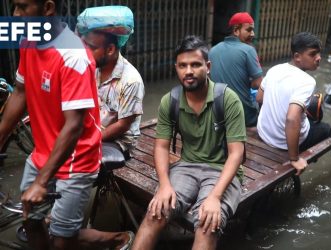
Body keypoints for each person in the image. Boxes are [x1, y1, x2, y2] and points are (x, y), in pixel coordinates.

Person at [0, 0, 132, 249]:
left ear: (47, 8)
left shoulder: (73, 55)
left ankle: (118, 239)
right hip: (42, 153)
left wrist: (41, 182)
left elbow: (74, 125)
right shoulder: (28, 40)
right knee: (31, 222)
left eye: (22, 7)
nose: (15, 16)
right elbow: (20, 91)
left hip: (76, 157)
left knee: (63, 238)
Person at [131, 35, 246, 250]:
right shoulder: (170, 101)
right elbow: (162, 146)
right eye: (182, 65)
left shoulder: (227, 99)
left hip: (221, 171)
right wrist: (164, 185)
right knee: (155, 212)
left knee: (207, 223)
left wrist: (215, 196)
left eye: (195, 64)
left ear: (208, 66)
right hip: (186, 167)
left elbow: (236, 154)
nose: (189, 71)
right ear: (176, 67)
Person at [256, 32, 331, 175]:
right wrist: (294, 158)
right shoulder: (307, 81)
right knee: (327, 129)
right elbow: (292, 118)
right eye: (313, 54)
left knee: (307, 111)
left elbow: (259, 98)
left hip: (264, 134)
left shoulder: (275, 69)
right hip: (282, 143)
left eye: (319, 53)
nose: (319, 58)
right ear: (297, 57)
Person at [77, 6, 145, 160]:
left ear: (110, 49)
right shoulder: (92, 68)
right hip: (95, 130)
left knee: (77, 160)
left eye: (92, 48)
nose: (86, 52)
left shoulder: (131, 80)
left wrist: (88, 141)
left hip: (119, 141)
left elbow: (122, 126)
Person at [209, 12, 263, 130]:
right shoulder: (248, 50)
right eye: (249, 30)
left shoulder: (212, 50)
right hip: (244, 116)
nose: (253, 34)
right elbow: (258, 84)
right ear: (236, 30)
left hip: (217, 114)